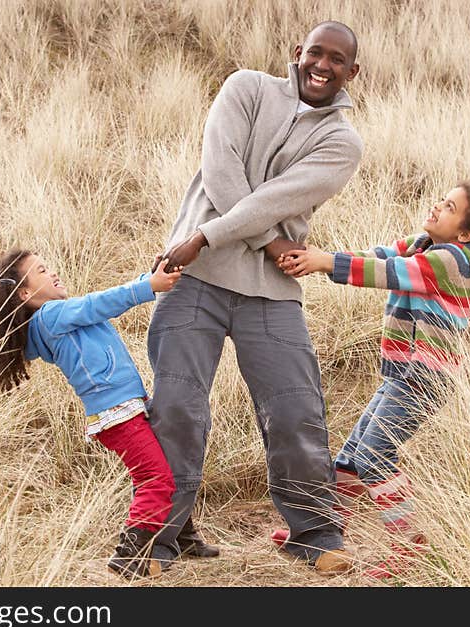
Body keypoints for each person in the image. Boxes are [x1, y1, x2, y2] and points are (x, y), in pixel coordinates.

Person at [147, 21, 364, 574]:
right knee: (176, 406)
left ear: (351, 72)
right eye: (316, 52)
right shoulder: (245, 87)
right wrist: (267, 242)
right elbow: (222, 176)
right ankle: (158, 535)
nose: (323, 64)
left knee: (296, 407)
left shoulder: (342, 142)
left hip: (268, 291)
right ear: (298, 53)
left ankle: (314, 535)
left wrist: (207, 235)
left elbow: (276, 198)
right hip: (192, 277)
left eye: (337, 59)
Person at [275, 182, 470, 578]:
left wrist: (326, 262)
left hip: (424, 379)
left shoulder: (451, 261)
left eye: (449, 208)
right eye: (441, 200)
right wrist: (319, 258)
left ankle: (408, 545)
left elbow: (387, 272)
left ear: (465, 234)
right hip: (401, 374)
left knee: (374, 457)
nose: (436, 207)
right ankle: (325, 533)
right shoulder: (423, 245)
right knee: (350, 458)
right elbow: (377, 256)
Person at [0, 249, 184, 579]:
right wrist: (150, 286)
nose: (53, 273)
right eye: (42, 271)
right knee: (155, 478)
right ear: (25, 294)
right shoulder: (52, 316)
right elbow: (98, 304)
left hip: (118, 411)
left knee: (160, 466)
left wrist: (150, 278)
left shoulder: (48, 323)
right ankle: (130, 554)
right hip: (118, 412)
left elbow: (92, 310)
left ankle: (181, 533)